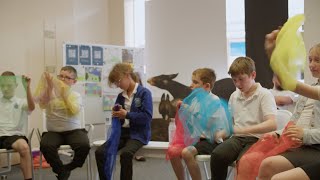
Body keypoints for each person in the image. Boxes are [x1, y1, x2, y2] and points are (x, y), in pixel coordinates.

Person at [257, 29, 320, 180]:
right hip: (305, 146)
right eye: (310, 59)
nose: (311, 64)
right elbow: (295, 122)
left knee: (277, 177)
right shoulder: (310, 90)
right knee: (266, 165)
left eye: (317, 60)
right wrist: (279, 133)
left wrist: (273, 54)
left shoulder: (312, 91)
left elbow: (288, 82)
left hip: (316, 148)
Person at [210, 56, 277, 180]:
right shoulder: (234, 96)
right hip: (238, 139)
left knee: (244, 161)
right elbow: (231, 126)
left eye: (241, 79)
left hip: (258, 139)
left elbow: (272, 124)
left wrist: (242, 130)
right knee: (217, 155)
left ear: (253, 75)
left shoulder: (265, 94)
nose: (238, 84)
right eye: (234, 80)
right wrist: (221, 133)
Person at [169, 68, 230, 180]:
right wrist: (183, 110)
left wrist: (189, 110)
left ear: (206, 86)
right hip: (197, 139)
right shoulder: (195, 100)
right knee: (173, 152)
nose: (191, 85)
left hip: (211, 140)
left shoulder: (214, 101)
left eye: (195, 82)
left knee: (187, 153)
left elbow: (207, 122)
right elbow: (191, 123)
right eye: (192, 81)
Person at [95, 63, 153, 180]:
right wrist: (116, 113)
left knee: (126, 154)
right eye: (116, 83)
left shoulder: (144, 93)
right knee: (100, 152)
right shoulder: (121, 96)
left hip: (138, 134)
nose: (118, 85)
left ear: (127, 75)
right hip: (122, 134)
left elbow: (147, 117)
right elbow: (119, 115)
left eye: (119, 81)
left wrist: (126, 114)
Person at [38, 66, 90, 180]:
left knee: (84, 145)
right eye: (60, 76)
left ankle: (68, 168)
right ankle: (60, 171)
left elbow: (74, 110)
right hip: (53, 132)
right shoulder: (50, 93)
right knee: (45, 145)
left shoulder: (76, 95)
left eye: (67, 77)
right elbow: (42, 103)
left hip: (73, 131)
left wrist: (63, 94)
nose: (62, 79)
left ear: (74, 81)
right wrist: (50, 87)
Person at [0, 71, 35, 180]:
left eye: (9, 85)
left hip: (14, 136)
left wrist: (27, 88)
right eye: (2, 86)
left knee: (24, 148)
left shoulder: (21, 101)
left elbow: (31, 107)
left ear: (15, 85)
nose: (5, 88)